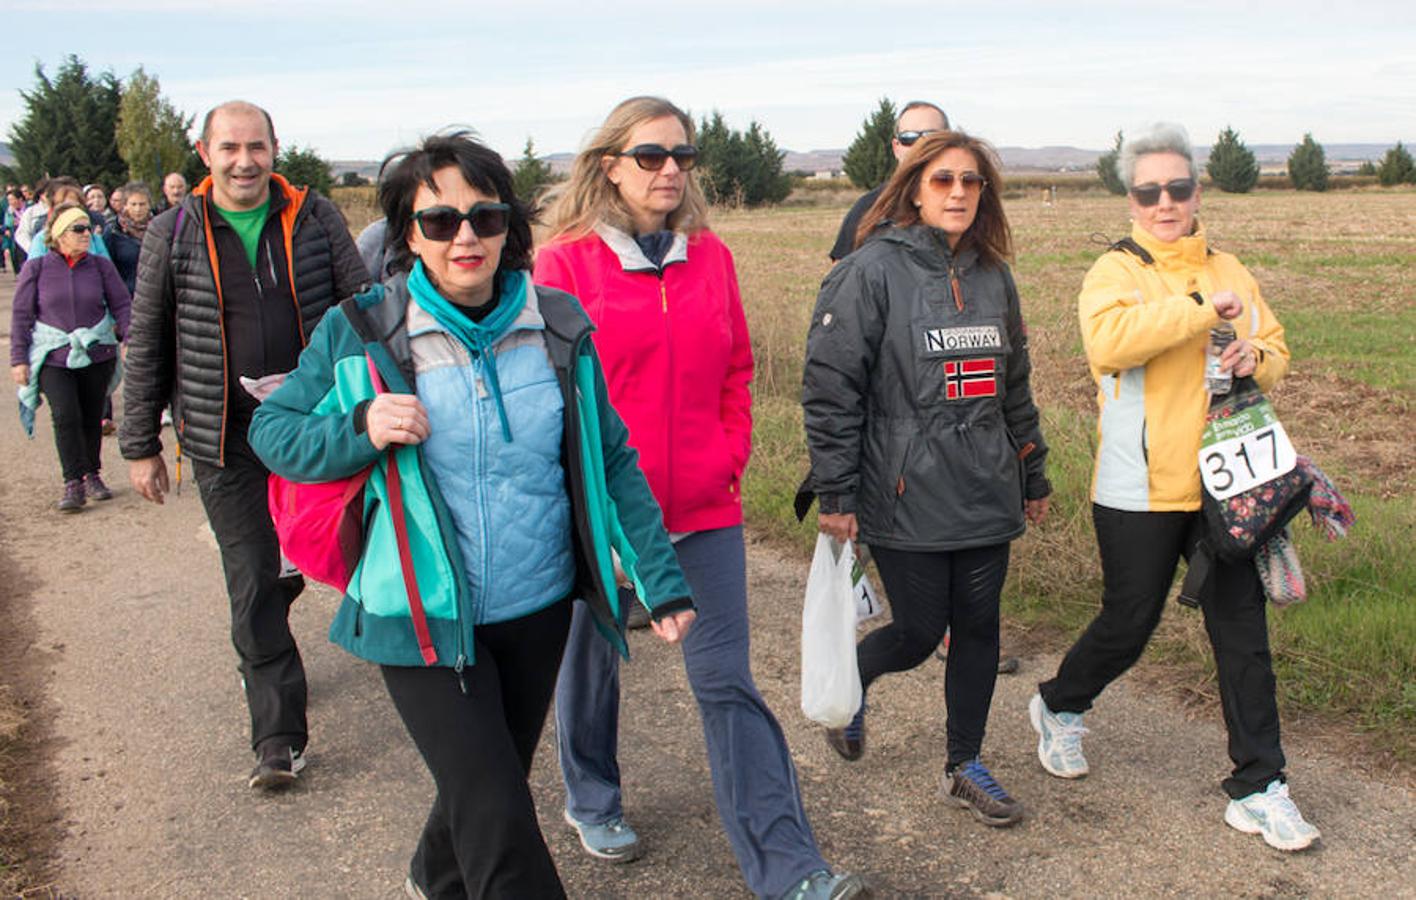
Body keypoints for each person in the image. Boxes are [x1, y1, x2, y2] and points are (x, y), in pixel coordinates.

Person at [250, 131, 695, 898]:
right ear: (407, 233)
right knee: (500, 822)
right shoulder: (362, 328)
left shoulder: (557, 324)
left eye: (486, 218)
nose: (466, 237)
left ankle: (435, 873)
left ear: (509, 228)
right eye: (440, 221)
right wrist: (360, 429)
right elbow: (273, 431)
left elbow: (610, 457)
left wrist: (660, 579)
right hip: (419, 615)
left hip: (537, 604)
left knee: (486, 783)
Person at [536, 96, 865, 900]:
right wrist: (586, 507)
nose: (671, 170)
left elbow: (737, 368)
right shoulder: (566, 264)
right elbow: (551, 397)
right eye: (651, 155)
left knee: (725, 681)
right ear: (609, 163)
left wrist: (729, 455)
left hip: (704, 508)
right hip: (603, 513)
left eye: (682, 154)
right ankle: (592, 793)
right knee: (591, 662)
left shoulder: (709, 257)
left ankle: (789, 868)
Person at [1027, 123, 1318, 851]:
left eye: (1177, 188)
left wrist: (1259, 356)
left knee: (1241, 632)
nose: (1165, 202)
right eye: (1148, 191)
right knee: (1130, 622)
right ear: (1129, 199)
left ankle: (1260, 785)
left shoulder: (1231, 267)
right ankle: (1061, 704)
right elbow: (1109, 344)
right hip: (1139, 487)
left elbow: (1276, 345)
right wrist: (1199, 309)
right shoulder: (1114, 272)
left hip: (1226, 483)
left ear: (1196, 192)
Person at [802, 131, 1051, 829]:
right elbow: (830, 389)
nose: (959, 193)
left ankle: (963, 764)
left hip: (985, 485)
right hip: (904, 489)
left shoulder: (994, 276)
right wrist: (837, 494)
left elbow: (1015, 387)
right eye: (943, 180)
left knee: (978, 626)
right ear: (914, 187)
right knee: (916, 634)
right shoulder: (871, 271)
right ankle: (854, 689)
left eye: (972, 182)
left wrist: (1032, 474)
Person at [119, 100, 369, 790]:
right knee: (254, 573)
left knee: (307, 561)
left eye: (256, 147)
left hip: (313, 428)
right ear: (204, 153)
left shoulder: (317, 218)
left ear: (275, 148)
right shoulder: (174, 232)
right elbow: (148, 340)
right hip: (223, 435)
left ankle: (261, 645)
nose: (244, 161)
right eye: (229, 148)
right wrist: (140, 442)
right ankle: (278, 737)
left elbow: (366, 305)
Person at [9, 201, 131, 510]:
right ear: (60, 234)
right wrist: (18, 359)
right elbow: (22, 315)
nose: (86, 234)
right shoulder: (36, 268)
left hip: (96, 352)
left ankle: (92, 473)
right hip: (53, 355)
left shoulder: (101, 266)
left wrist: (130, 337)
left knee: (91, 415)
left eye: (88, 228)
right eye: (78, 229)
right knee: (65, 415)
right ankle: (73, 481)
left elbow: (121, 304)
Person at [828, 101, 948, 263]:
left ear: (950, 142)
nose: (920, 145)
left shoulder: (972, 204)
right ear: (896, 147)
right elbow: (841, 280)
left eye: (931, 137)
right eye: (908, 138)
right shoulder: (869, 208)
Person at [104, 182, 153, 293]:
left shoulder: (159, 229)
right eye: (133, 204)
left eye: (142, 204)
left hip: (154, 294)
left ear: (149, 205)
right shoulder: (113, 231)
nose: (137, 209)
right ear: (125, 205)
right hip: (125, 295)